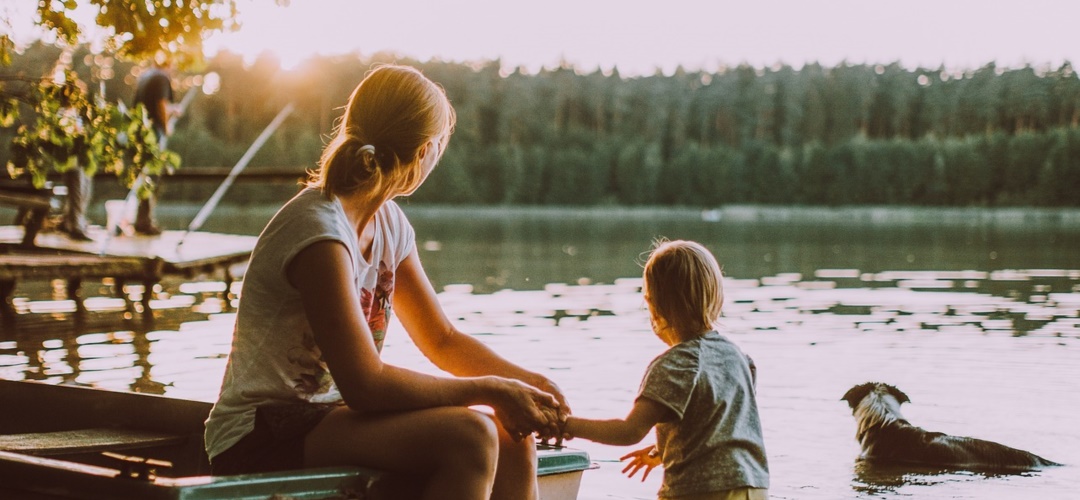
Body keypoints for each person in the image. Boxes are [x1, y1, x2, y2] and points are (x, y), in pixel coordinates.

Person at [204, 65, 566, 500]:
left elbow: (443, 339)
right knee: (470, 435)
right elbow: (366, 385)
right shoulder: (320, 232)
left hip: (329, 420)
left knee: (513, 432)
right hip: (257, 433)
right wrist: (490, 389)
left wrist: (528, 385)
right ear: (425, 151)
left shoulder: (389, 224)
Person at [557, 240, 770, 500]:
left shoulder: (676, 363)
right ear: (717, 297)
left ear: (653, 306)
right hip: (754, 485)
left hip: (702, 490)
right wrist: (661, 450)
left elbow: (629, 431)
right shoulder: (740, 358)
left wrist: (566, 425)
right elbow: (720, 425)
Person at [131, 60, 179, 235]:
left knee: (143, 175)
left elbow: (149, 105)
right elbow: (160, 104)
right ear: (168, 65)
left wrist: (172, 110)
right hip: (153, 133)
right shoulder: (161, 77)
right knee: (151, 176)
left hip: (139, 131)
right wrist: (166, 128)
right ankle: (145, 222)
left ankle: (141, 220)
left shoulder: (145, 77)